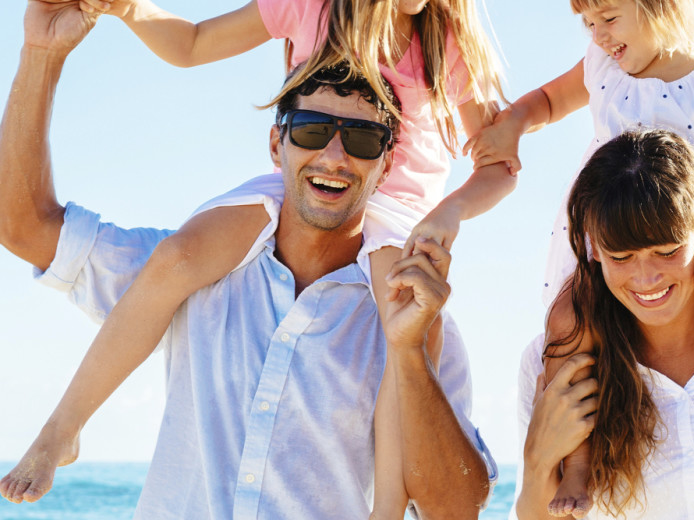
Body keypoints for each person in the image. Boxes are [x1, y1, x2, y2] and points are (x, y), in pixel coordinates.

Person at [0, 3, 496, 518]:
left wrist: (448, 222)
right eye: (310, 131)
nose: (333, 154)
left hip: (401, 216)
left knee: (404, 331)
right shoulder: (202, 268)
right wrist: (51, 47)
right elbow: (23, 227)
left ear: (386, 159)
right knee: (174, 257)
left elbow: (455, 509)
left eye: (361, 139)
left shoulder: (417, 315)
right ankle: (63, 429)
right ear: (276, 142)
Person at [463, 0, 694, 513]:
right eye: (588, 23)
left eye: (610, 19)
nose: (598, 35)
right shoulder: (602, 67)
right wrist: (512, 124)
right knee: (567, 324)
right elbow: (549, 101)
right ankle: (576, 467)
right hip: (608, 231)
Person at [511, 130, 694, 519]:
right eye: (621, 257)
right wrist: (537, 460)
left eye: (667, 251)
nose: (646, 279)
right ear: (594, 247)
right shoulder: (556, 352)